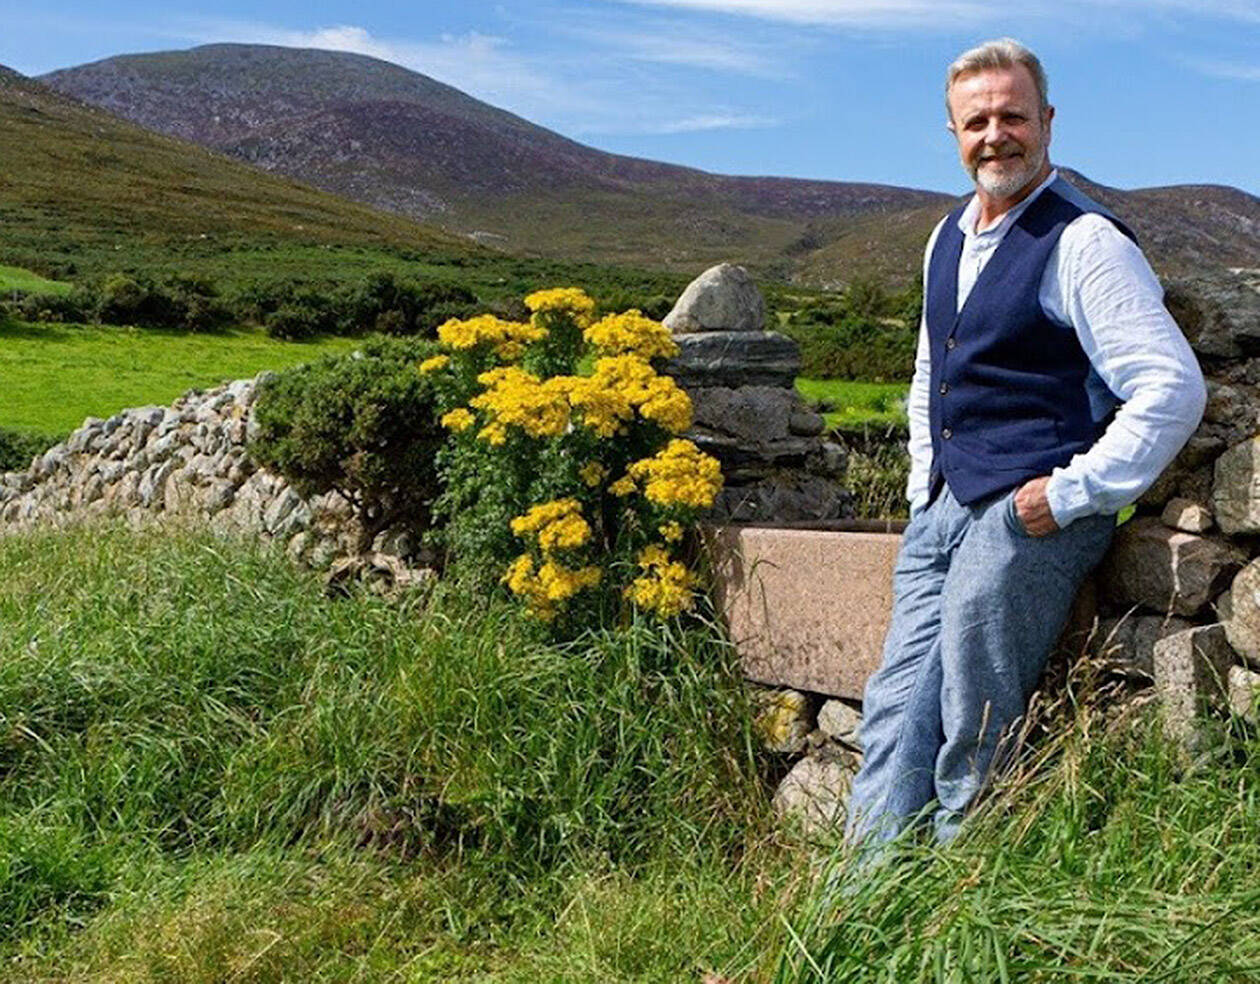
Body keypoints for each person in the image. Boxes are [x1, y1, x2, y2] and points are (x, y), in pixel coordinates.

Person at [845, 38, 1206, 847]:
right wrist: (918, 491)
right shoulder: (946, 237)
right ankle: (855, 914)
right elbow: (929, 371)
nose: (995, 134)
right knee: (894, 707)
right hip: (943, 508)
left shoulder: (1084, 242)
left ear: (1047, 121)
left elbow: (1174, 387)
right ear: (953, 132)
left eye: (1013, 116)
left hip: (1028, 509)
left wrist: (1068, 495)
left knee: (972, 713)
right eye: (978, 121)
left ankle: (959, 901)